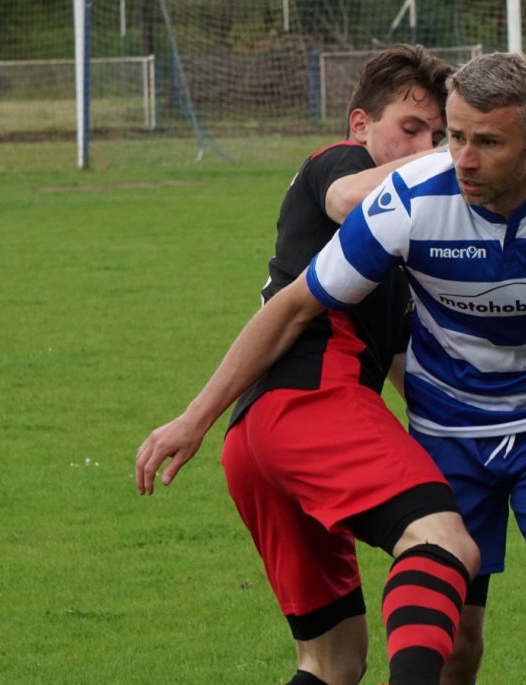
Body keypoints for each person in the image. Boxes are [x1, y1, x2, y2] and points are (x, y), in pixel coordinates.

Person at [143, 50, 526, 684]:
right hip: (449, 431)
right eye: (454, 137)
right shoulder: (409, 202)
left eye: (487, 141)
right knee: (454, 641)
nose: (462, 158)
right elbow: (293, 307)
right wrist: (196, 418)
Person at [135, 44, 480, 685]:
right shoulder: (339, 164)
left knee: (333, 661)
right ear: (359, 125)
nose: (425, 146)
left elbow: (413, 376)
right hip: (312, 404)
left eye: (439, 133)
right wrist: (459, 150)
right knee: (444, 542)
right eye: (412, 129)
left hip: (259, 438)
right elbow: (351, 197)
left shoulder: (396, 255)